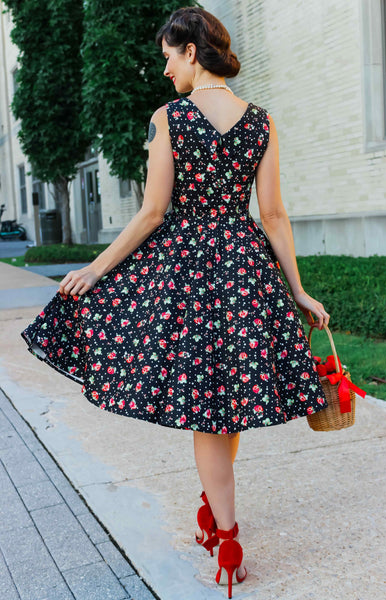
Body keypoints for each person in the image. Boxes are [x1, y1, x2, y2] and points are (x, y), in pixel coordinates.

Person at [21, 6, 330, 598]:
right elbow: (271, 215)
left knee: (206, 407)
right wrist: (296, 288)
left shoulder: (169, 118)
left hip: (186, 276)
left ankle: (230, 538)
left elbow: (153, 213)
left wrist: (96, 267)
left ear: (192, 50)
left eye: (167, 55)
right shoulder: (261, 121)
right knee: (227, 402)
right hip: (245, 271)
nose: (164, 68)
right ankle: (215, 515)